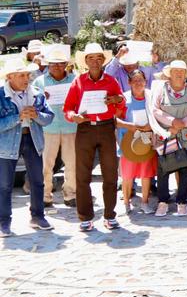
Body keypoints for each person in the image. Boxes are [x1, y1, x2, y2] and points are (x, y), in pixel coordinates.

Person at [62, 43, 127, 232]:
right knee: (82, 175)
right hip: (85, 129)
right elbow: (68, 108)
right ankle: (85, 218)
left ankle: (110, 216)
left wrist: (117, 100)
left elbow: (122, 104)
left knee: (110, 174)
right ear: (85, 61)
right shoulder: (79, 82)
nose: (95, 61)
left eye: (99, 58)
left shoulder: (111, 81)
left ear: (103, 60)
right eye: (91, 58)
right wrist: (73, 116)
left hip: (106, 128)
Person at [0, 58, 54, 236]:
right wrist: (18, 117)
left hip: (33, 140)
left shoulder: (36, 93)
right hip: (7, 144)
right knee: (4, 185)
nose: (26, 79)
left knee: (37, 181)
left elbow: (49, 118)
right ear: (10, 77)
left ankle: (38, 217)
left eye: (27, 75)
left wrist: (36, 115)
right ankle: (3, 222)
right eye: (21, 75)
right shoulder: (0, 95)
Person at [147, 61, 187, 218]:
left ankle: (182, 202)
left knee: (184, 168)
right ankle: (163, 202)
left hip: (185, 133)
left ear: (185, 74)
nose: (178, 74)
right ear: (169, 74)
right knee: (163, 168)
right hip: (166, 133)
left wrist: (182, 123)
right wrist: (172, 122)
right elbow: (154, 109)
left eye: (181, 71)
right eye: (175, 71)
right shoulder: (160, 88)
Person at [33, 45, 76, 209]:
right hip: (48, 128)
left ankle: (70, 194)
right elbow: (33, 104)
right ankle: (45, 196)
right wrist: (41, 99)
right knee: (46, 164)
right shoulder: (39, 82)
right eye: (53, 63)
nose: (57, 66)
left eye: (60, 63)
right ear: (48, 64)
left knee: (72, 163)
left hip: (70, 127)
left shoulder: (74, 80)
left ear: (65, 64)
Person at [116, 70, 155, 214]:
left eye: (141, 80)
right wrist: (129, 126)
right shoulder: (123, 99)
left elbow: (158, 115)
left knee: (146, 173)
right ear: (129, 83)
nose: (138, 83)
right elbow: (115, 120)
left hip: (146, 141)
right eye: (135, 80)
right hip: (128, 142)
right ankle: (126, 203)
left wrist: (151, 125)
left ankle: (145, 203)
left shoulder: (151, 97)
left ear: (145, 81)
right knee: (127, 175)